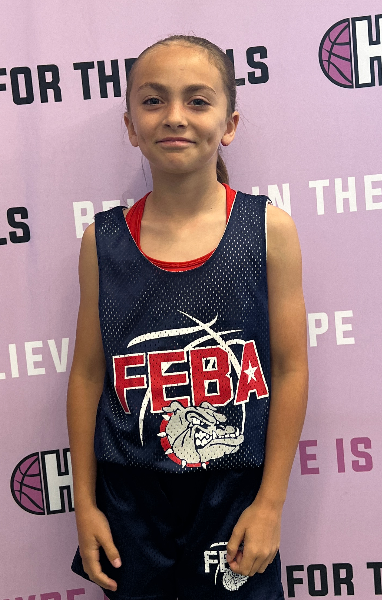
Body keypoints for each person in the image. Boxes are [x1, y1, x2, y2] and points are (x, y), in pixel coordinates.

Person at [67, 35, 308, 600]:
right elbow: (87, 375)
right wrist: (86, 504)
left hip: (233, 493)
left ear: (229, 123)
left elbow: (290, 370)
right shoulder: (102, 240)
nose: (174, 116)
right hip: (130, 498)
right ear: (131, 126)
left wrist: (270, 503)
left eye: (197, 101)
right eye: (153, 101)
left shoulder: (268, 230)